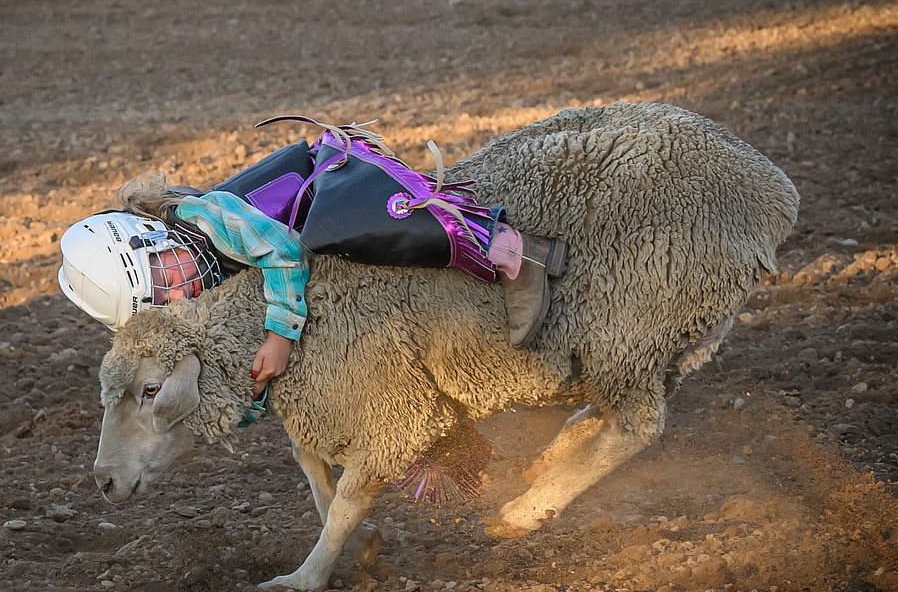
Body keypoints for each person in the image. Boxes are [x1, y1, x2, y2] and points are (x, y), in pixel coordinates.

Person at [58, 121, 566, 396]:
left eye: (166, 274)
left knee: (358, 234)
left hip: (346, 183)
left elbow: (281, 251)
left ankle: (509, 249)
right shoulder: (197, 274)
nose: (181, 291)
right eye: (164, 298)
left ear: (152, 235)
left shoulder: (209, 219)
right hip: (321, 230)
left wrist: (278, 338)